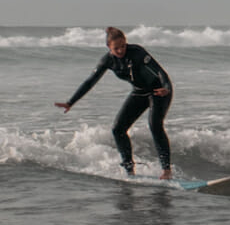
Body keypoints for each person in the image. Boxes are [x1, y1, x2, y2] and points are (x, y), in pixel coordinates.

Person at [57, 27, 173, 178]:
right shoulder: (107, 61)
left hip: (159, 91)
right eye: (116, 48)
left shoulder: (137, 52)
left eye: (123, 46)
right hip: (139, 92)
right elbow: (90, 82)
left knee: (155, 125)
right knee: (118, 129)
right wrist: (70, 102)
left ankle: (166, 171)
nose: (120, 50)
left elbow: (160, 72)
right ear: (108, 47)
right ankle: (129, 171)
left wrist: (166, 88)